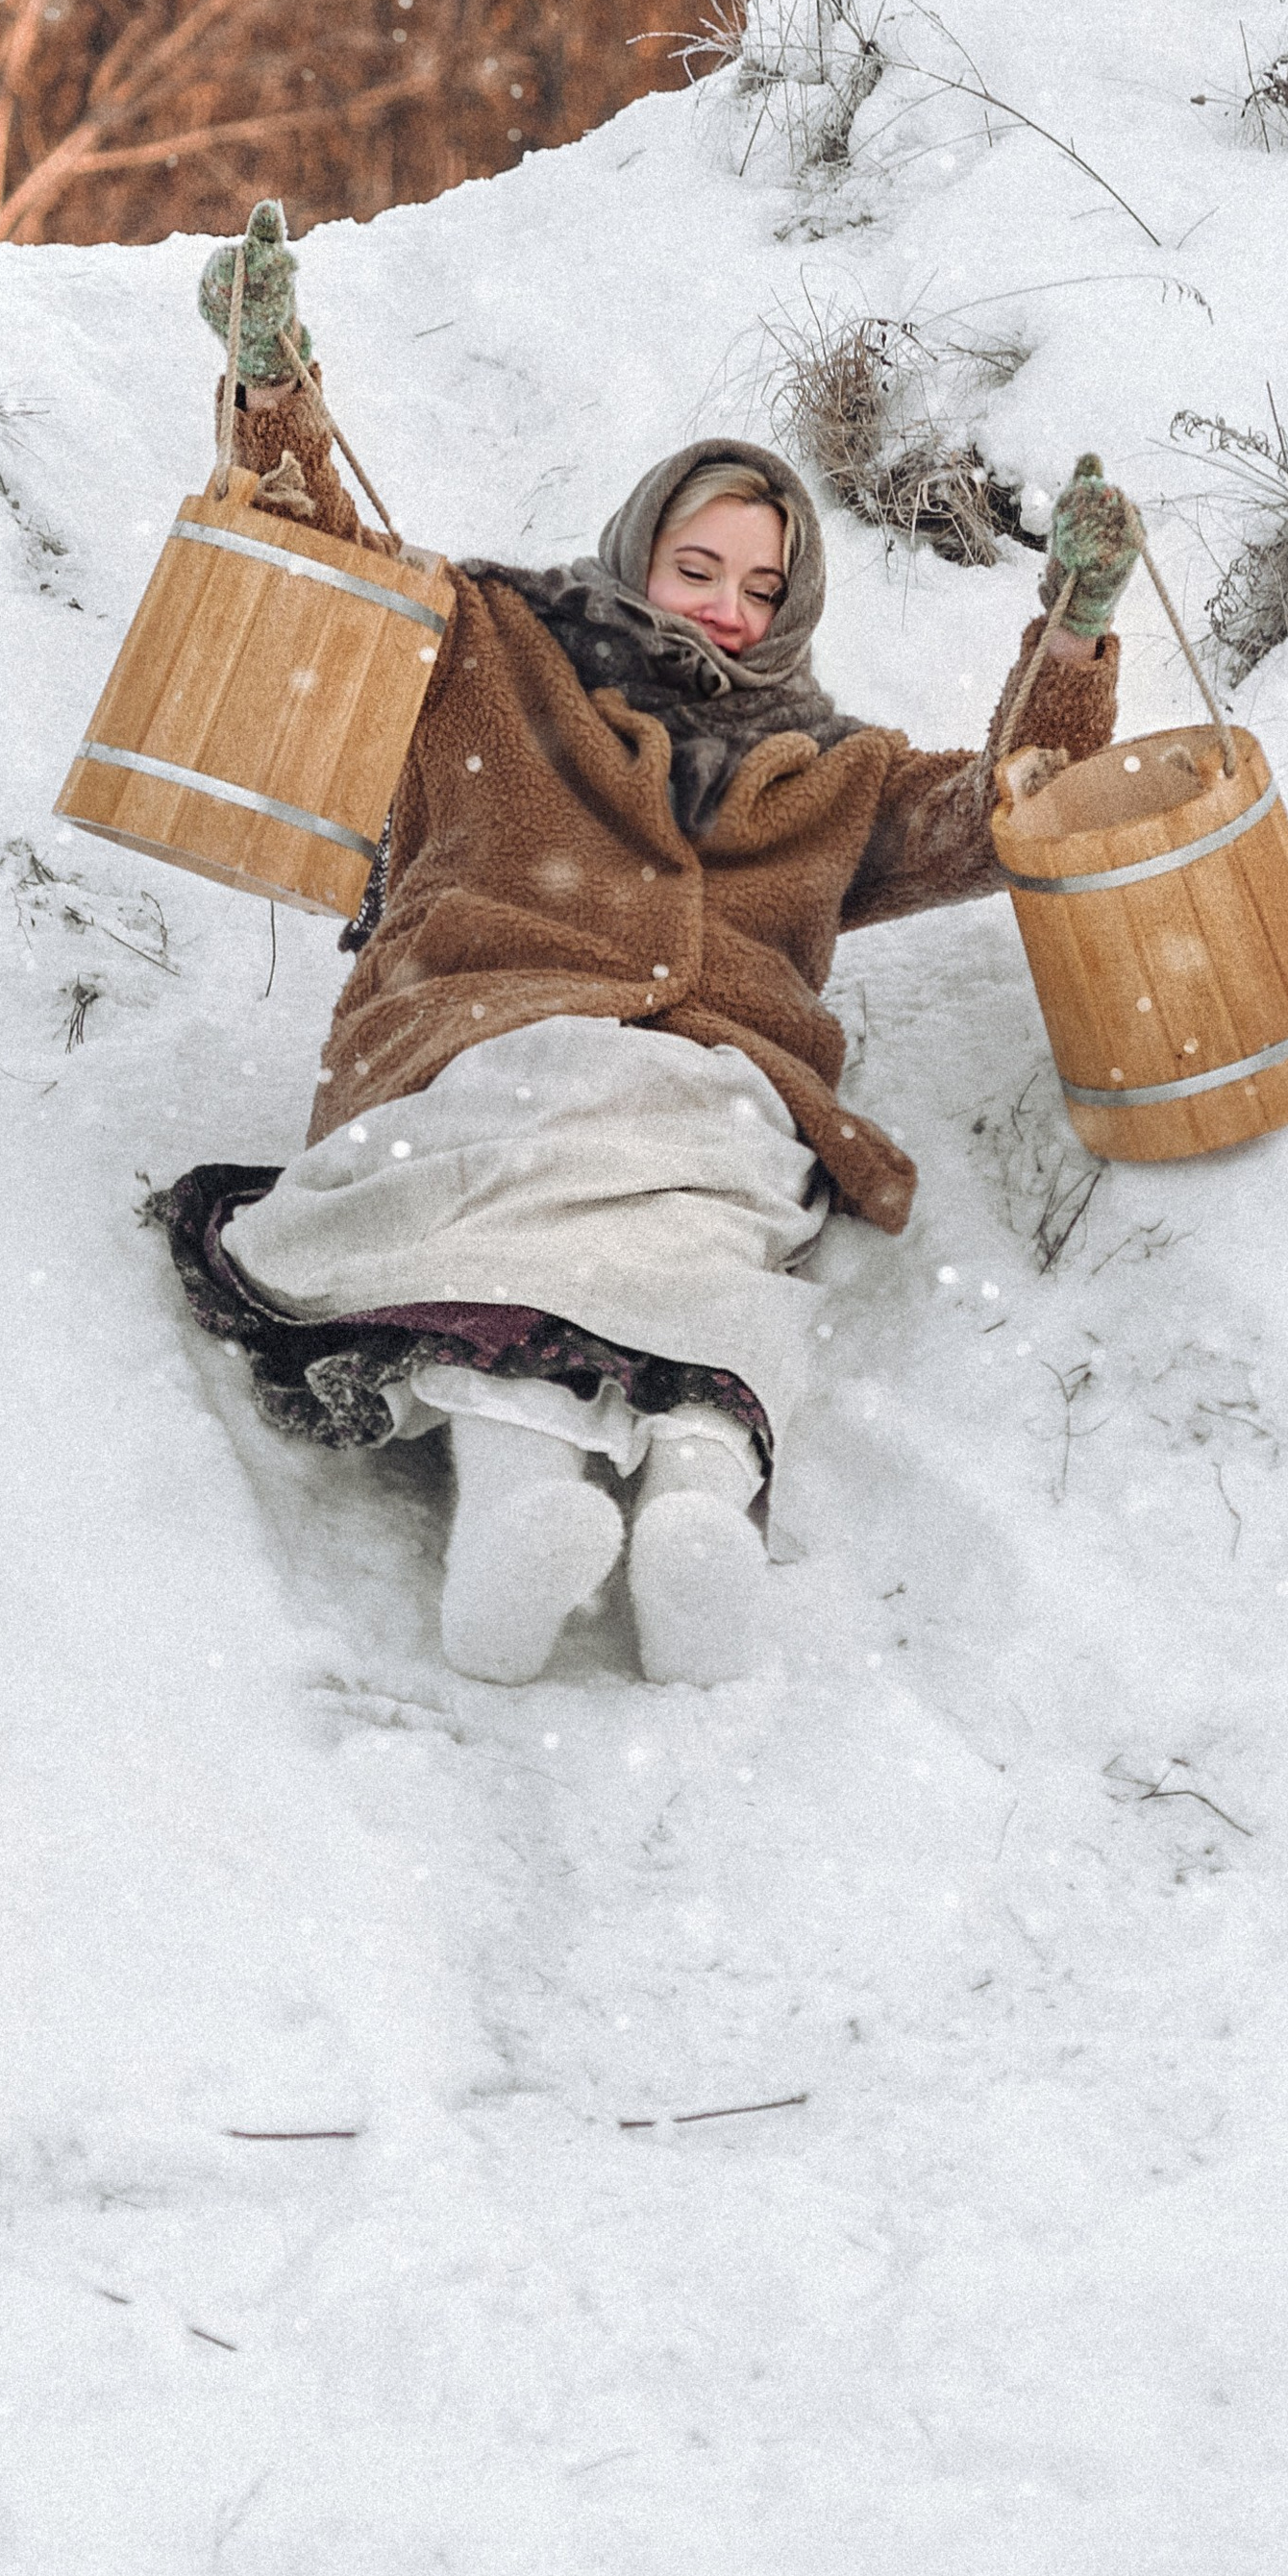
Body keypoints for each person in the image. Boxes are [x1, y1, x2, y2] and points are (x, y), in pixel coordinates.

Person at [157, 287, 1132, 1689]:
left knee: (702, 1228)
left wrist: (1076, 642)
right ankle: (518, 1516)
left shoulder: (838, 776)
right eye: (699, 569)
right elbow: (324, 564)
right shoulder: (490, 650)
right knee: (530, 1163)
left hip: (716, 1090)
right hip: (490, 1038)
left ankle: (693, 1512)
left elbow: (1008, 813)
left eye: (759, 589)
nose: (728, 613)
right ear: (639, 550)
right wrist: (273, 393)